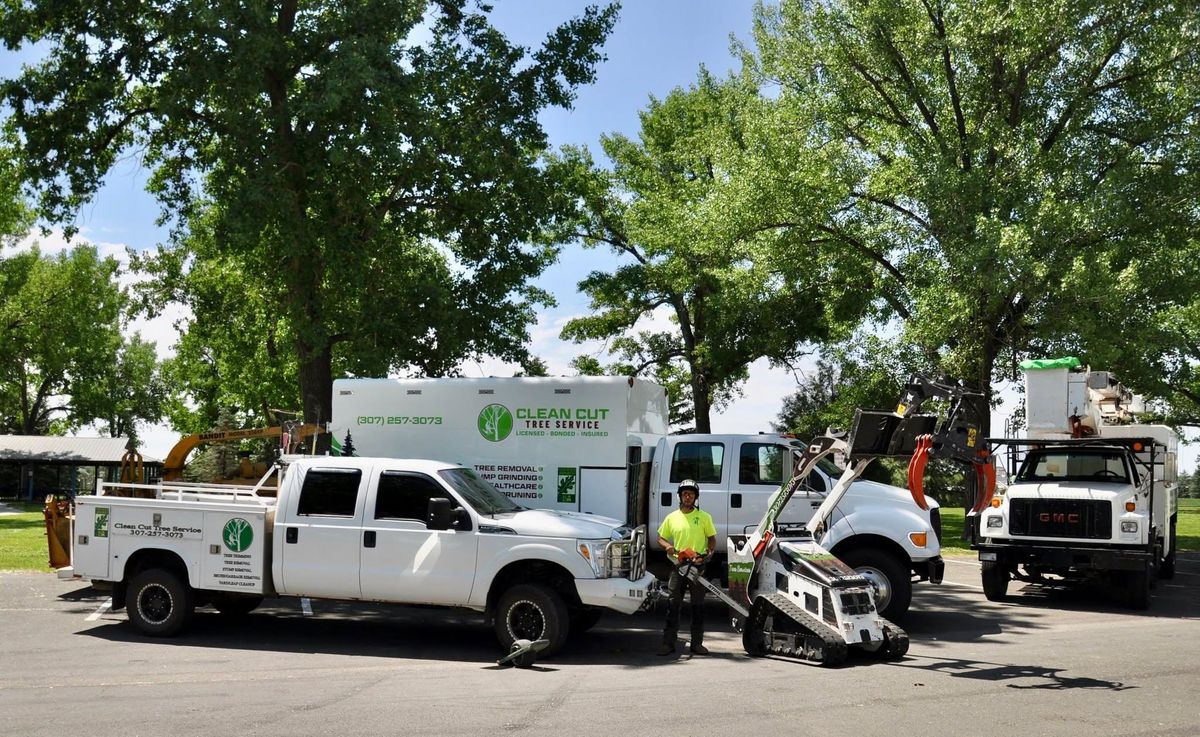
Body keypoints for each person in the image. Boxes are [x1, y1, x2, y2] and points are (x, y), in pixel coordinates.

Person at [656, 479, 717, 656]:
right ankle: (668, 643)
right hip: (678, 566)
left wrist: (709, 552)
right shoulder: (671, 517)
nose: (688, 497)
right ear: (680, 496)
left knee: (698, 606)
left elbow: (712, 538)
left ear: (696, 497)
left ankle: (697, 644)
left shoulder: (705, 517)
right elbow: (660, 537)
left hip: (698, 566)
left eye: (691, 494)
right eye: (685, 494)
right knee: (673, 604)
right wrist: (667, 546)